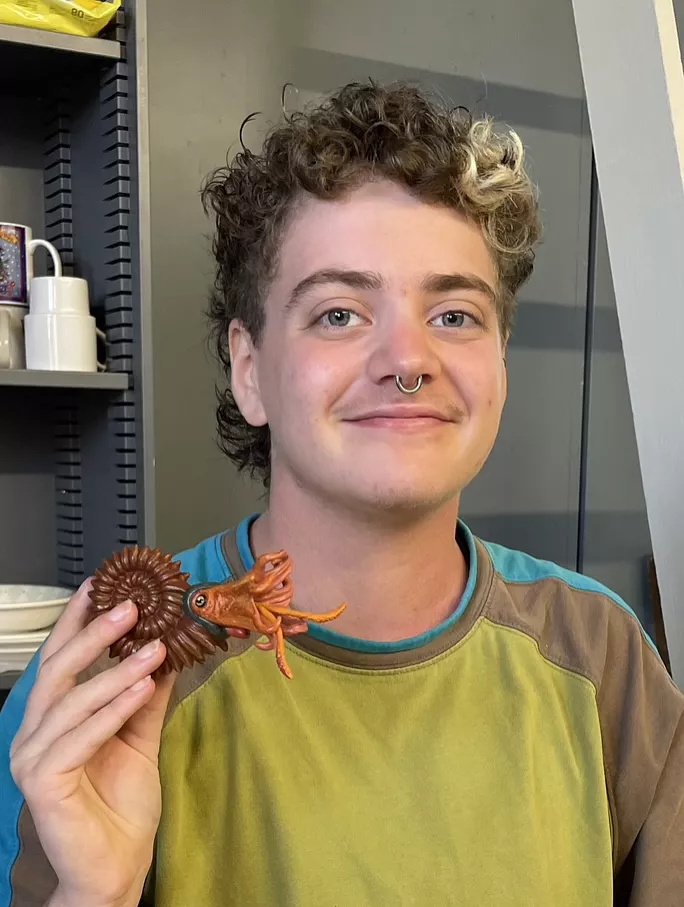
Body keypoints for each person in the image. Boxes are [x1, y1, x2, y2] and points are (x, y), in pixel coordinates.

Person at [0, 81, 682, 907]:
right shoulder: (106, 682)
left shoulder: (602, 657)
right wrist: (93, 895)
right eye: (338, 314)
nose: (408, 358)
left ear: (500, 361)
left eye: (456, 315)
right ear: (249, 371)